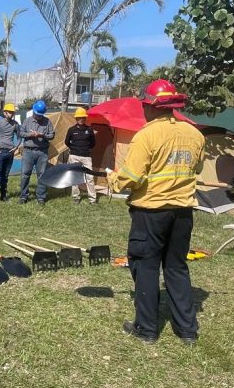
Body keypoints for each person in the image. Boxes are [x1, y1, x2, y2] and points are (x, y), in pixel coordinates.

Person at [106, 79, 205, 345]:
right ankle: (187, 331)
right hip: (183, 212)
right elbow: (196, 169)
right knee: (177, 267)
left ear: (150, 106)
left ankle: (147, 329)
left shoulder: (146, 135)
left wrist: (113, 180)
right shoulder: (195, 134)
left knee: (146, 267)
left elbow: (131, 177)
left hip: (151, 213)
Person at [19, 100, 54, 205]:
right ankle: (23, 196)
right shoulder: (27, 121)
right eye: (36, 114)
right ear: (33, 111)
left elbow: (52, 135)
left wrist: (43, 136)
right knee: (25, 174)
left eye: (40, 115)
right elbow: (20, 133)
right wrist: (31, 135)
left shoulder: (47, 122)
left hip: (42, 152)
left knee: (42, 175)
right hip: (28, 151)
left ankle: (41, 197)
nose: (38, 117)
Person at [65, 107, 97, 204]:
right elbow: (66, 142)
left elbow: (93, 143)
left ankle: (92, 199)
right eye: (79, 118)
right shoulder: (71, 130)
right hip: (74, 156)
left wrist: (86, 149)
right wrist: (74, 148)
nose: (81, 119)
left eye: (83, 117)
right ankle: (76, 197)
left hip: (86, 157)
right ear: (76, 118)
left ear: (85, 118)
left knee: (90, 178)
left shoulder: (90, 130)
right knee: (75, 177)